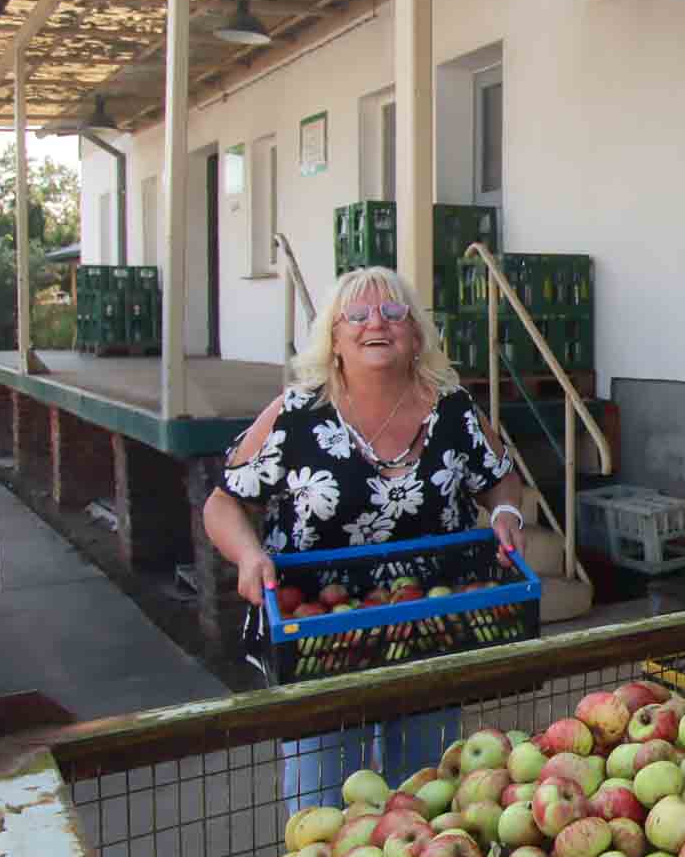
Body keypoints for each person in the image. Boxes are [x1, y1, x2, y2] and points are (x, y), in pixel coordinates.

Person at [204, 266, 527, 805]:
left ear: (416, 333)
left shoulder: (453, 409)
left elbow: (500, 478)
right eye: (355, 314)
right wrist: (248, 554)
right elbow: (224, 502)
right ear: (334, 337)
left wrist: (506, 514)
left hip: (429, 629)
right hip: (320, 642)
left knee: (428, 800)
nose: (375, 322)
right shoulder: (296, 414)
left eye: (392, 311)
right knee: (323, 806)